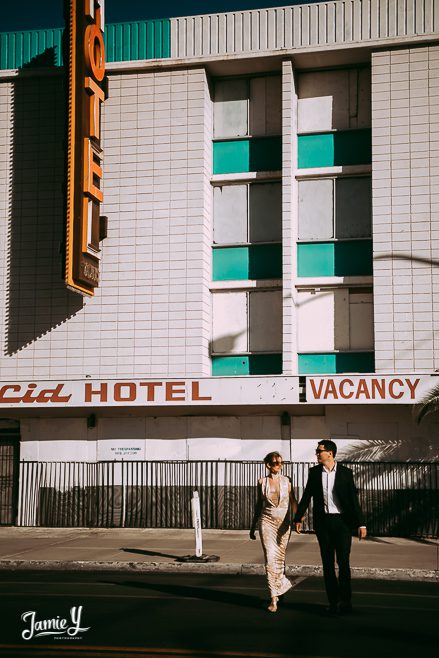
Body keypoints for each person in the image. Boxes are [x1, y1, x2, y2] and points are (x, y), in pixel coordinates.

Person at [294, 439, 367, 616]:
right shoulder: (314, 473)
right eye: (317, 451)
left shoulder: (345, 473)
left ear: (330, 453)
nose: (317, 453)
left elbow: (353, 500)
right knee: (327, 564)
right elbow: (307, 496)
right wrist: (299, 517)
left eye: (320, 451)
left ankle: (346, 601)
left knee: (343, 562)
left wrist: (361, 523)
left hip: (342, 523)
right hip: (323, 523)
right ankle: (333, 602)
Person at [250, 451, 298, 613]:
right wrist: (252, 526)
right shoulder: (262, 482)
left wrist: (298, 519)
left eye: (281, 462)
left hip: (284, 523)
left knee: (280, 558)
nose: (279, 465)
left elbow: (293, 501)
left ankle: (280, 588)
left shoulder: (287, 481)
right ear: (268, 465)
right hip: (267, 522)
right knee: (270, 559)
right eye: (276, 463)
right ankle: (273, 598)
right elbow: (259, 504)